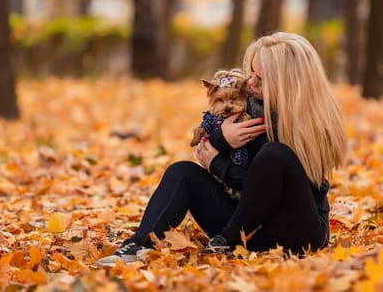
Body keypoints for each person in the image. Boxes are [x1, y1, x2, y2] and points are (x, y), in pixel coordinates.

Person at [97, 32, 347, 266]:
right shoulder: (244, 106)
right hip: (249, 232)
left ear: (287, 84)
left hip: (296, 233)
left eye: (261, 79)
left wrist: (219, 165)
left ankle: (226, 241)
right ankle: (139, 245)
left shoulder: (309, 123)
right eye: (252, 74)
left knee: (275, 155)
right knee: (181, 171)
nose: (251, 83)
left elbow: (267, 192)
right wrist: (221, 141)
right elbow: (212, 145)